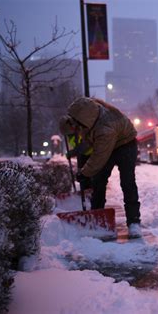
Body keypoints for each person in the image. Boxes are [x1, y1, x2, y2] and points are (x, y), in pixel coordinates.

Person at [66, 97, 142, 237]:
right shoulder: (89, 118)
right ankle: (97, 217)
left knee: (127, 181)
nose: (77, 127)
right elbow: (90, 142)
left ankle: (134, 222)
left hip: (126, 143)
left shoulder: (104, 129)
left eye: (77, 123)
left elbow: (98, 157)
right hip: (110, 142)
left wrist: (84, 172)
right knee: (99, 181)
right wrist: (75, 149)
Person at [59, 115, 93, 191]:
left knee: (90, 175)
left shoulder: (81, 129)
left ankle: (91, 193)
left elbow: (85, 145)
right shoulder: (70, 134)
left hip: (92, 155)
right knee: (83, 176)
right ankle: (85, 190)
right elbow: (78, 146)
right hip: (83, 156)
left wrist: (73, 152)